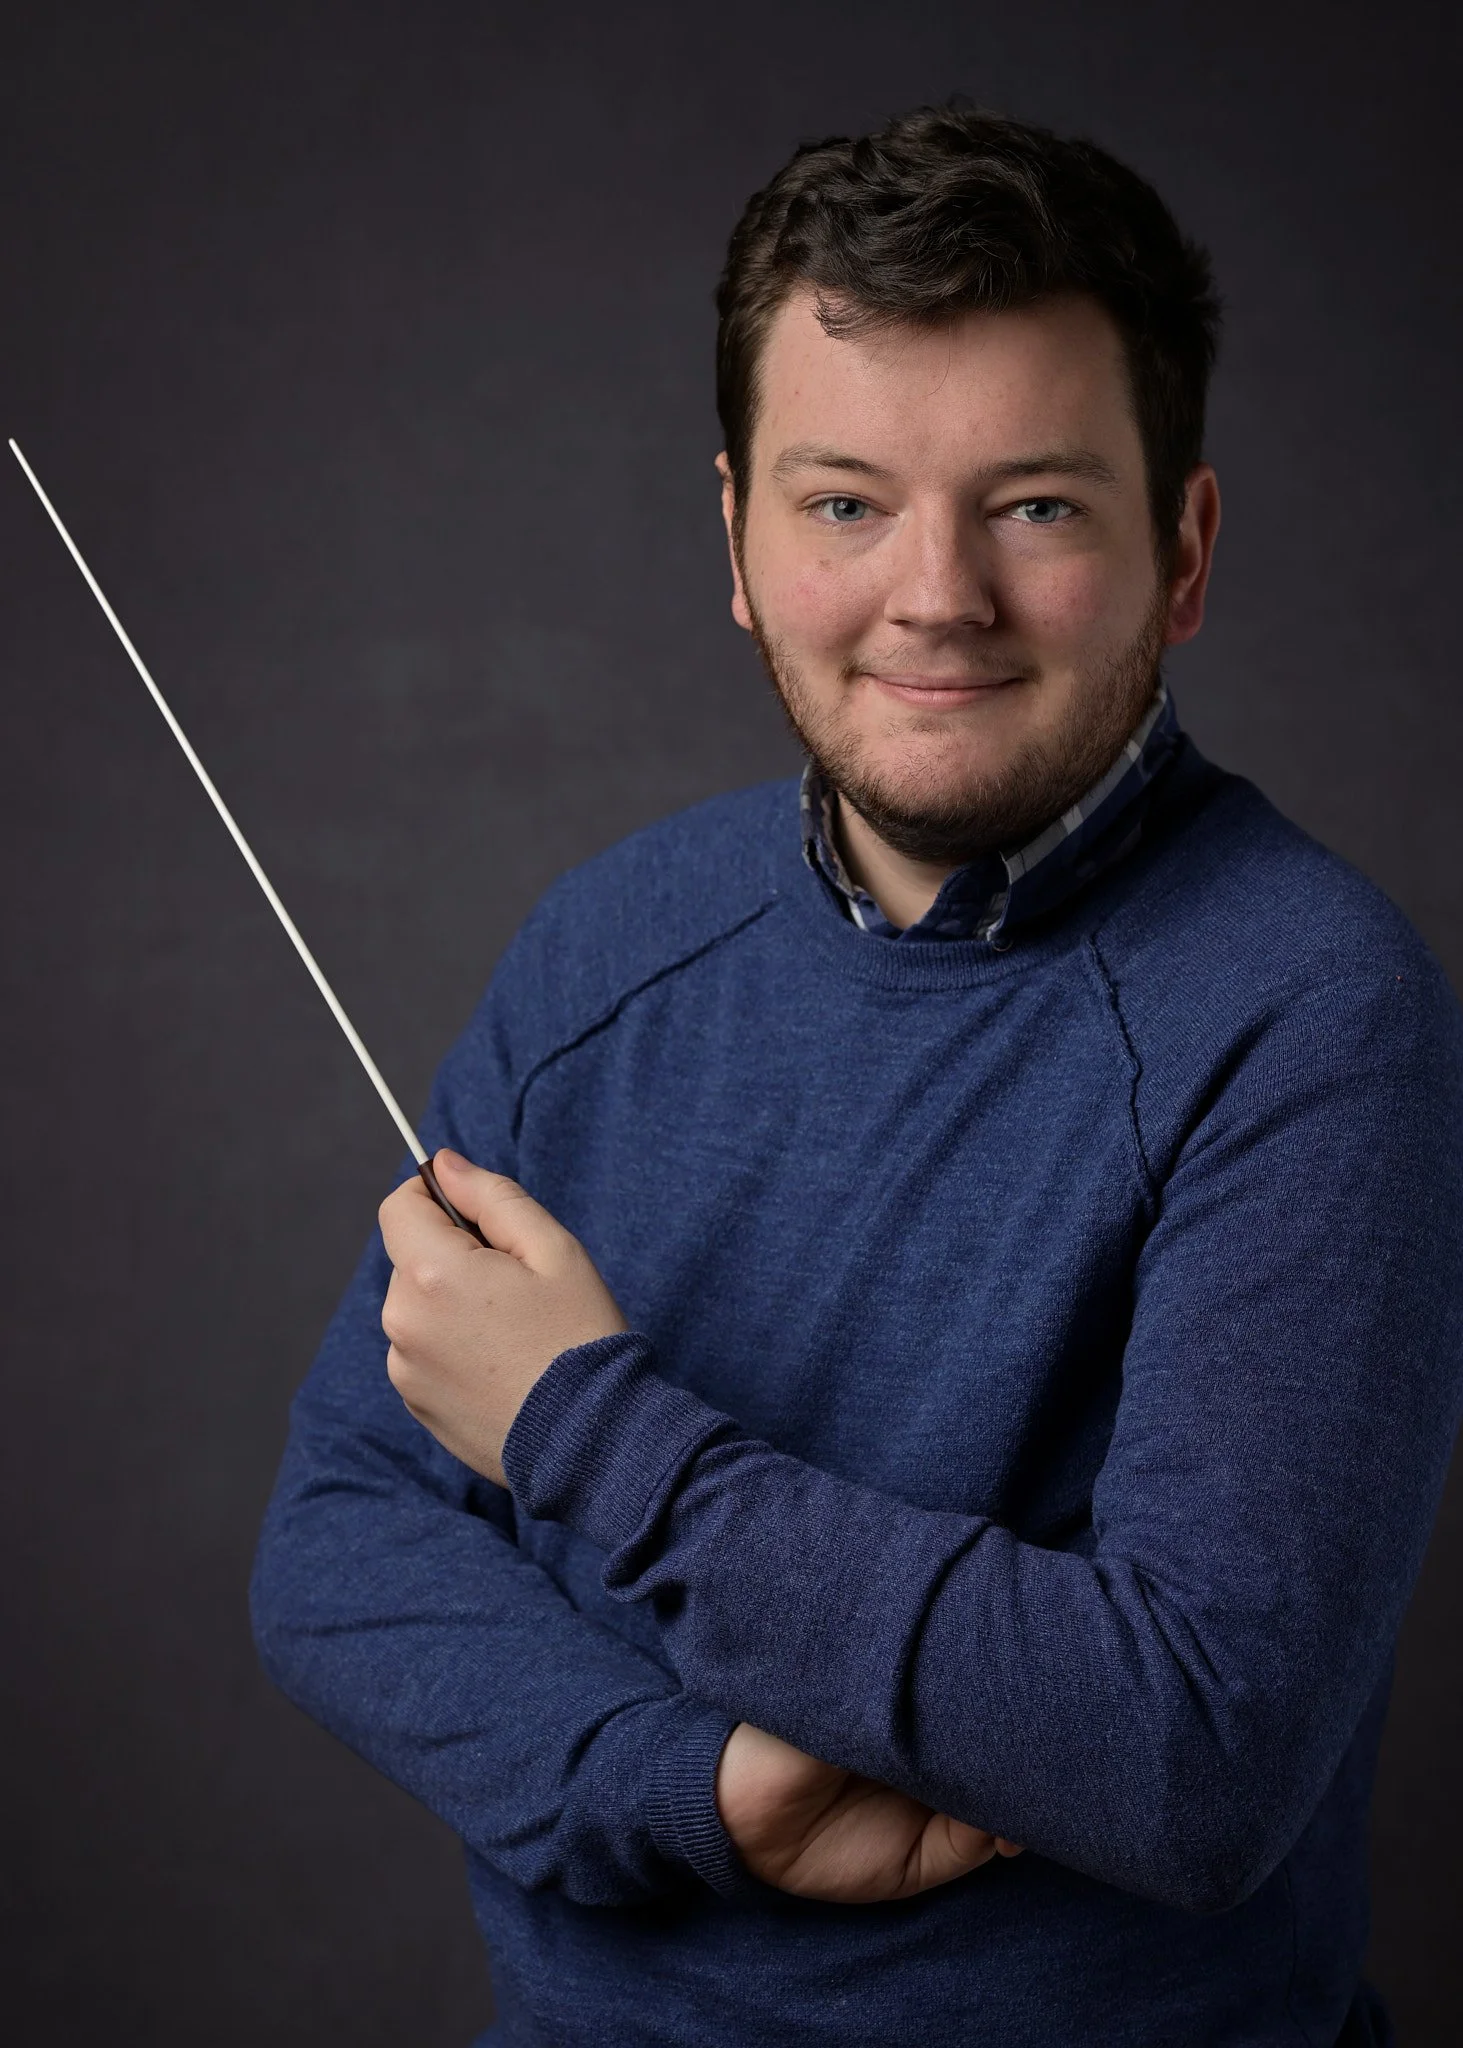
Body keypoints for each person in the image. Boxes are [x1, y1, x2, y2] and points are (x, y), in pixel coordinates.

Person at [250, 105, 1463, 2047]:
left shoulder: (1312, 1007)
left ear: (1183, 547)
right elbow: (341, 1537)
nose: (933, 594)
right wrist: (693, 1789)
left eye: (1037, 504)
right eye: (841, 503)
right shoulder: (604, 947)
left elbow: (1191, 1751)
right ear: (733, 540)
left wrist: (583, 1431)